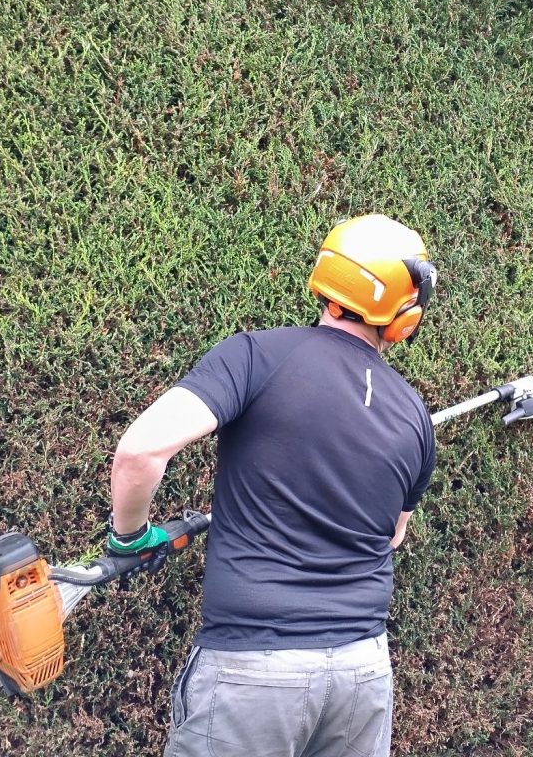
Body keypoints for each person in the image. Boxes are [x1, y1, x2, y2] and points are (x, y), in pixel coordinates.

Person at [106, 214, 438, 757]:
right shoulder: (415, 415)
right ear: (404, 313)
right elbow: (392, 537)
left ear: (328, 286)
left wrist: (130, 536)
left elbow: (141, 451)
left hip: (252, 674)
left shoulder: (257, 357)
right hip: (362, 675)